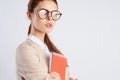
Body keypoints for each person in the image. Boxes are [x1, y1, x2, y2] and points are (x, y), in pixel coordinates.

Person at [16, 0, 77, 80]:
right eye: (44, 12)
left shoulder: (52, 51)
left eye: (54, 13)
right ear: (29, 15)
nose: (50, 17)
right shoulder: (25, 49)